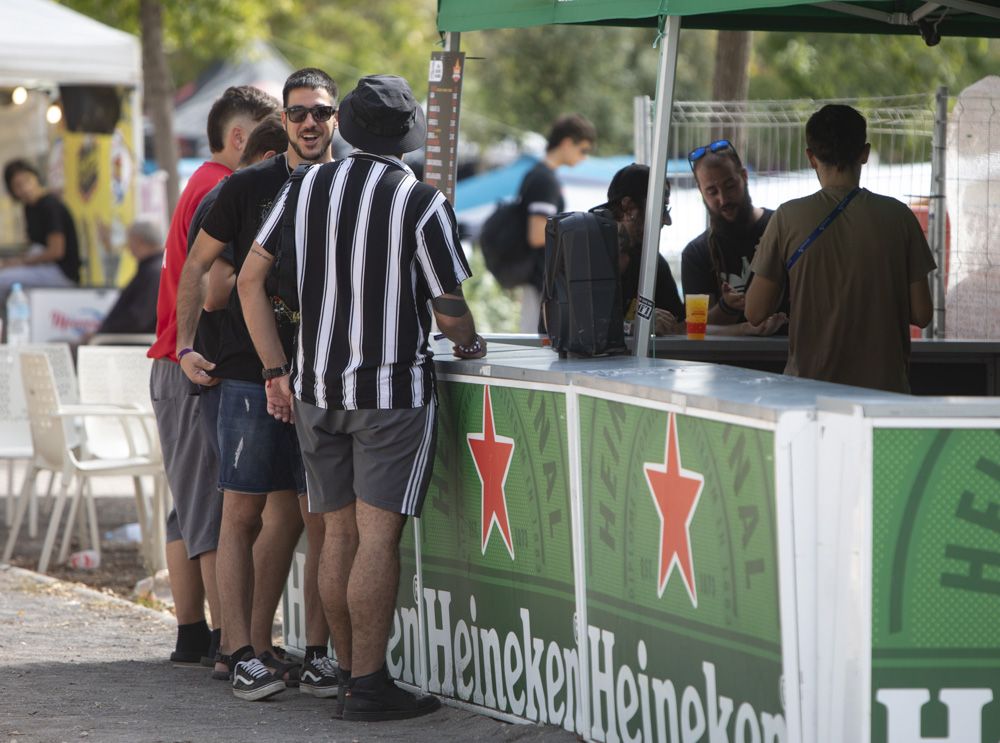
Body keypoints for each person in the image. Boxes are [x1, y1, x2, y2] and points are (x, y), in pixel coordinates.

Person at [239, 74, 486, 721]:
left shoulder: (307, 185)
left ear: (345, 122)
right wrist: (470, 339)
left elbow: (249, 278)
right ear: (410, 135)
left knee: (338, 533)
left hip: (316, 389)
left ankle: (349, 676)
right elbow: (450, 305)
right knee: (377, 538)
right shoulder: (418, 200)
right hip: (389, 392)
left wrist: (276, 365)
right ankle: (371, 684)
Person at [177, 68, 339, 702]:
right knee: (241, 514)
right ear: (286, 121)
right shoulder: (248, 187)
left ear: (335, 119)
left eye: (320, 112)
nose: (308, 123)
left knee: (319, 517)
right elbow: (199, 267)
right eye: (298, 112)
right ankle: (240, 651)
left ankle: (321, 655)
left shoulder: (351, 184)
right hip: (246, 374)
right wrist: (187, 346)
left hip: (325, 377)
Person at [146, 85, 279, 673]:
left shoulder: (202, 181)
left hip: (178, 358)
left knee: (191, 504)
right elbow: (215, 283)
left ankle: (193, 635)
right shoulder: (218, 187)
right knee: (210, 507)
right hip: (191, 361)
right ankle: (229, 642)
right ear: (240, 137)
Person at [746, 104, 935, 393]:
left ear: (811, 157)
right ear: (865, 153)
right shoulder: (900, 217)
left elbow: (756, 311)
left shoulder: (787, 218)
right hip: (884, 394)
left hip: (809, 394)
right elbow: (922, 313)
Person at [682, 139, 790, 329]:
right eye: (712, 191)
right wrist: (726, 308)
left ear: (745, 176)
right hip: (719, 359)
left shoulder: (782, 229)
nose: (723, 199)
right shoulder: (696, 253)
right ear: (700, 191)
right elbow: (696, 327)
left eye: (730, 186)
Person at [519, 113, 597, 332]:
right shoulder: (544, 179)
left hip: (538, 277)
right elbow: (536, 235)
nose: (584, 157)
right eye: (583, 150)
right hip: (538, 278)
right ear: (566, 143)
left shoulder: (540, 174)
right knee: (536, 344)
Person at [599, 163, 684, 335]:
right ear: (628, 207)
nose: (667, 221)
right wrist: (633, 326)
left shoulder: (653, 263)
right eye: (661, 208)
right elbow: (560, 323)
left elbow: (679, 326)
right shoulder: (582, 252)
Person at [1, 159, 79, 305]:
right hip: (44, 268)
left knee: (2, 280)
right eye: (17, 186)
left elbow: (56, 251)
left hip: (61, 272)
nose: (25, 188)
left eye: (27, 181)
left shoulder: (50, 205)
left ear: (36, 177)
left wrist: (20, 262)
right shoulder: (29, 208)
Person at [89, 220, 163, 338]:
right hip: (118, 339)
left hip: (126, 343)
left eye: (130, 241)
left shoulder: (153, 272)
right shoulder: (153, 269)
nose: (128, 247)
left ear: (139, 241)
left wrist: (101, 334)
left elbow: (138, 319)